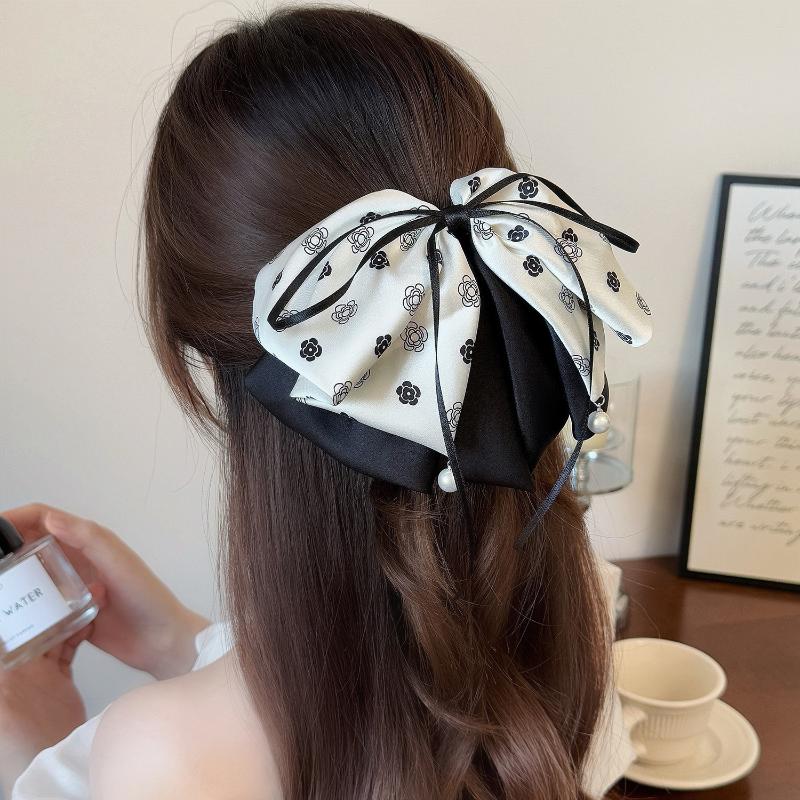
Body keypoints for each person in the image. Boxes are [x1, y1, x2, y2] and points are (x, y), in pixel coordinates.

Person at [2, 6, 650, 799]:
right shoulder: (578, 599)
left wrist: (37, 750)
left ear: (198, 353)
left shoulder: (162, 757)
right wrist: (180, 641)